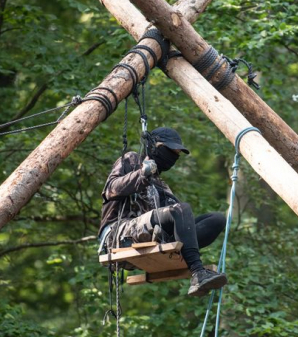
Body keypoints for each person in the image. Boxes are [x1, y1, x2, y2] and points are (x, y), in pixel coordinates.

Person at [98, 127, 228, 297]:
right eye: (169, 150)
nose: (173, 157)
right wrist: (141, 174)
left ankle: (189, 262)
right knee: (181, 209)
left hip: (152, 237)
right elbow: (111, 189)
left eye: (176, 154)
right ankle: (198, 272)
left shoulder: (162, 185)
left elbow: (177, 218)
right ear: (153, 146)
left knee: (217, 219)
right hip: (119, 233)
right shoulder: (131, 160)